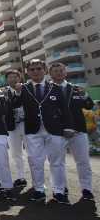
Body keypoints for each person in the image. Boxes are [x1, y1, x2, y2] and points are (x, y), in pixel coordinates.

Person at [13, 59, 74, 204]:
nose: (35, 72)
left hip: (54, 130)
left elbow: (65, 109)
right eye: (32, 69)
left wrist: (68, 127)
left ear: (45, 70)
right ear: (27, 72)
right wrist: (17, 93)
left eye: (38, 68)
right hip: (33, 131)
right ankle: (39, 190)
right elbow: (15, 105)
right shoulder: (24, 88)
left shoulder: (55, 87)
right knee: (35, 161)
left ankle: (59, 191)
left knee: (57, 162)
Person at [49, 62, 95, 201]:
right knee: (57, 162)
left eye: (61, 70)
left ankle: (87, 189)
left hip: (79, 131)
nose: (58, 73)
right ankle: (59, 189)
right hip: (57, 133)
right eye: (55, 71)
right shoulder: (47, 90)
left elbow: (89, 105)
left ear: (65, 72)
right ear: (50, 74)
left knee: (83, 162)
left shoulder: (76, 89)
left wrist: (85, 94)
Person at [3, 69, 27, 188]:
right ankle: (20, 177)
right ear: (7, 80)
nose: (13, 79)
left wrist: (19, 92)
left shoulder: (27, 89)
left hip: (28, 125)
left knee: (33, 153)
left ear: (20, 78)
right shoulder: (3, 93)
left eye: (15, 77)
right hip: (12, 127)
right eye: (10, 77)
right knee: (16, 153)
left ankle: (38, 181)